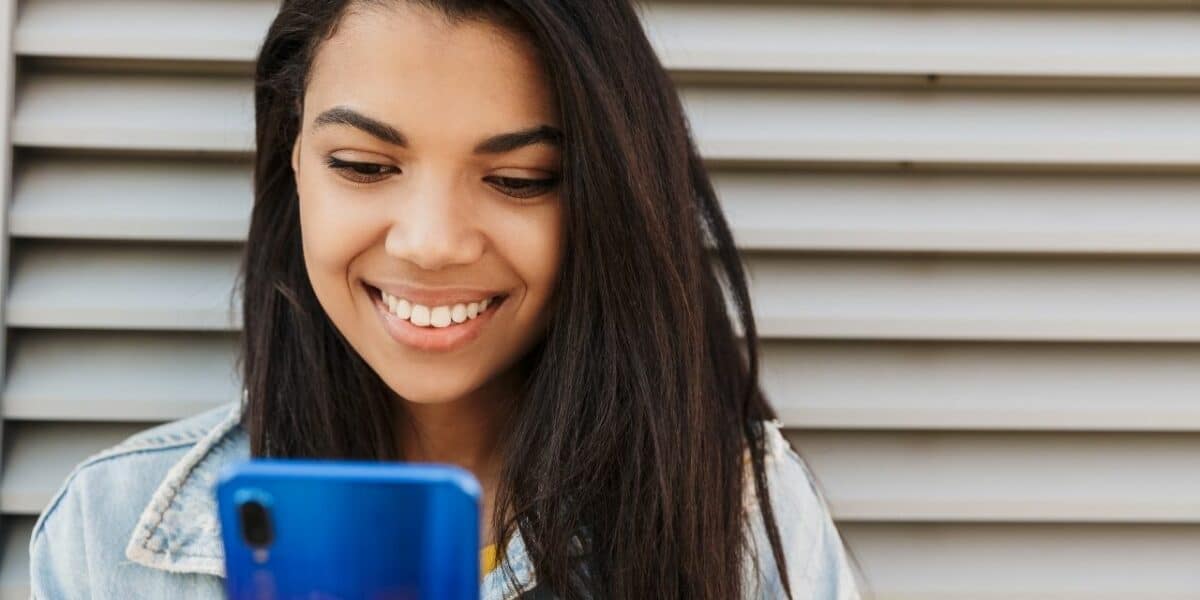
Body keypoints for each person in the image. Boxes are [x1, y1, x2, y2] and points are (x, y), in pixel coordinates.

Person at [28, 1, 860, 598]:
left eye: (518, 180)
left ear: (605, 200)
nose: (430, 243)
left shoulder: (741, 516)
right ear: (292, 159)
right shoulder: (112, 533)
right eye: (361, 165)